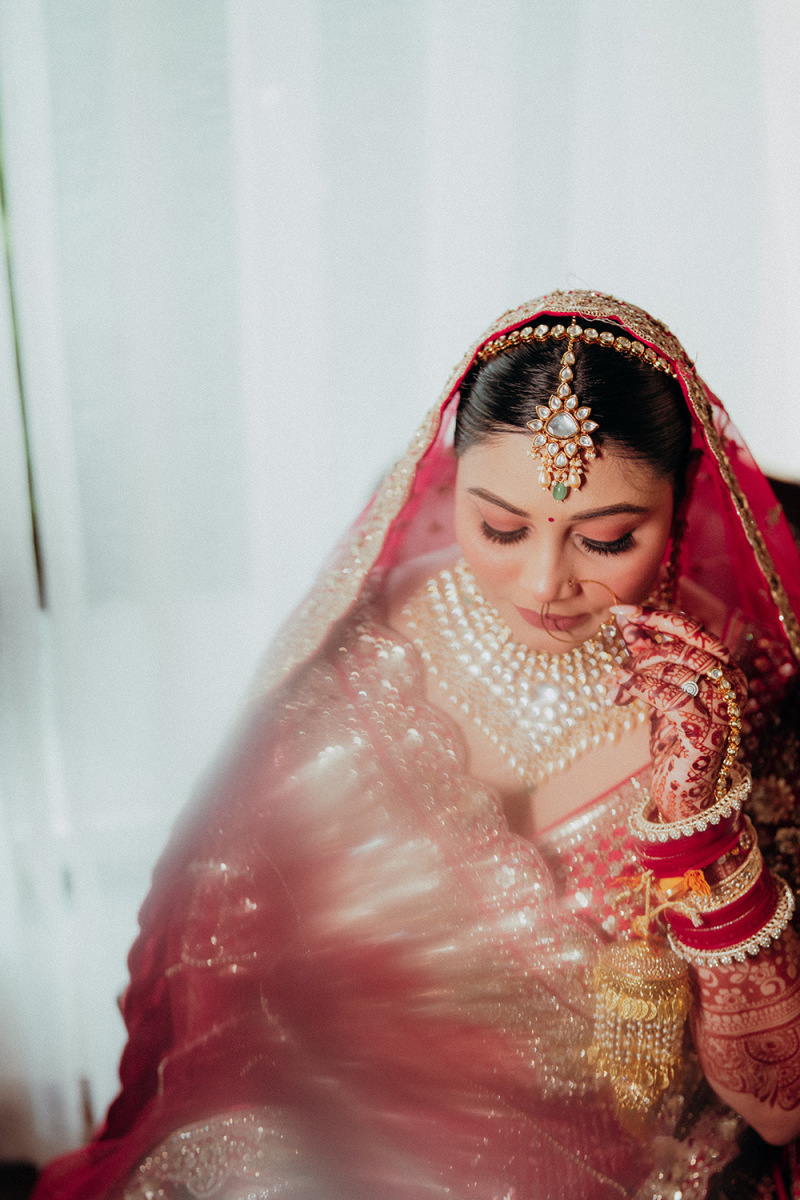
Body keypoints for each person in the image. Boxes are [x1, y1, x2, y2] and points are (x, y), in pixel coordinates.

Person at [33, 291, 800, 1200]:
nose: (544, 581)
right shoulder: (367, 647)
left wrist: (702, 830)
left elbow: (776, 1110)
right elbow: (234, 965)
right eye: (500, 527)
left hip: (608, 1165)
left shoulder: (731, 699)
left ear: (681, 503)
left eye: (606, 539)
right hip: (338, 1124)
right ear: (449, 481)